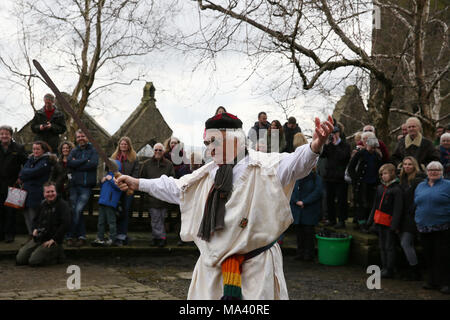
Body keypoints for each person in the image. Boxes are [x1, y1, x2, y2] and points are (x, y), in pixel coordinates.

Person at [116, 112, 334, 300]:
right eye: (207, 143)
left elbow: (298, 163)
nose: (209, 149)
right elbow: (177, 188)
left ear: (235, 141)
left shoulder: (266, 167)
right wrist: (138, 183)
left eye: (214, 142)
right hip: (212, 269)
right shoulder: (208, 173)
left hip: (255, 268)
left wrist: (315, 146)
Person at [414, 161, 450, 294]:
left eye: (437, 170)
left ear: (442, 172)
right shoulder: (420, 186)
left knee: (443, 256)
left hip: (443, 227)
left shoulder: (448, 185)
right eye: (431, 170)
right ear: (427, 172)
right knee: (428, 255)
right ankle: (432, 281)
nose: (433, 172)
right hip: (423, 227)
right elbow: (416, 203)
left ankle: (446, 282)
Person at [16, 182, 70, 266]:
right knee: (20, 259)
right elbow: (35, 220)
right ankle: (39, 251)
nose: (50, 194)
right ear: (44, 193)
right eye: (47, 192)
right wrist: (34, 229)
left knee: (33, 261)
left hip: (53, 240)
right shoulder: (42, 204)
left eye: (52, 191)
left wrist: (54, 239)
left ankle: (58, 254)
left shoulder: (63, 205)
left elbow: (65, 225)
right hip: (39, 238)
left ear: (56, 192)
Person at [367, 163, 403, 279]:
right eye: (382, 174)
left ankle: (390, 269)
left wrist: (394, 225)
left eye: (386, 173)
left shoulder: (397, 189)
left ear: (392, 174)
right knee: (382, 246)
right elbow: (375, 206)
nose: (383, 176)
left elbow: (398, 209)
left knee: (389, 246)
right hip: (379, 221)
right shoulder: (380, 188)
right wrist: (370, 221)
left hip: (390, 223)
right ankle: (384, 267)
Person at [66, 129, 99, 247]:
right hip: (74, 185)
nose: (81, 138)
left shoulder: (94, 150)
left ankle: (70, 235)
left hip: (86, 186)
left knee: (78, 210)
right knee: (74, 210)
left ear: (87, 136)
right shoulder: (74, 150)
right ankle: (81, 236)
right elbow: (69, 163)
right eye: (78, 136)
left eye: (83, 136)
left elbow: (93, 164)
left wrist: (77, 164)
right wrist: (85, 161)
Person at [140, 142, 175, 247]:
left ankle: (158, 238)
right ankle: (160, 238)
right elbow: (142, 178)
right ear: (153, 151)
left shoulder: (169, 164)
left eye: (160, 150)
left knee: (161, 218)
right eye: (156, 150)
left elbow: (172, 179)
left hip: (164, 196)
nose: (158, 152)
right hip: (151, 196)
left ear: (163, 152)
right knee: (155, 218)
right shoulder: (146, 164)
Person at [19, 141, 56, 238]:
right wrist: (27, 173)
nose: (35, 151)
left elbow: (35, 172)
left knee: (34, 216)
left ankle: (36, 236)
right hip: (26, 191)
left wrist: (26, 173)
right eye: (34, 149)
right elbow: (22, 172)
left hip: (36, 192)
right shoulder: (31, 159)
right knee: (26, 214)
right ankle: (31, 235)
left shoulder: (46, 161)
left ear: (43, 150)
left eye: (38, 149)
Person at [347, 131, 382, 232]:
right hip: (361, 183)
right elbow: (351, 168)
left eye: (369, 140)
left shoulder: (377, 155)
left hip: (373, 183)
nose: (367, 142)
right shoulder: (360, 153)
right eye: (365, 140)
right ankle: (361, 223)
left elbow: (380, 168)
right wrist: (355, 179)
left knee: (371, 203)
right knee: (360, 203)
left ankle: (368, 223)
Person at [398, 156, 425, 280]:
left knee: (405, 243)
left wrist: (412, 210)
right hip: (402, 216)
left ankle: (415, 270)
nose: (407, 166)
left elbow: (419, 198)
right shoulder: (402, 179)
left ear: (414, 165)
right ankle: (410, 268)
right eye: (405, 164)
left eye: (410, 164)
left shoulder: (419, 180)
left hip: (413, 216)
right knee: (405, 243)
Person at [320, 125, 351, 229]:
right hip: (329, 176)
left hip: (340, 177)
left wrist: (335, 145)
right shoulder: (329, 144)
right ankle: (331, 219)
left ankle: (342, 220)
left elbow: (343, 157)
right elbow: (322, 155)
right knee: (329, 199)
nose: (333, 135)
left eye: (335, 133)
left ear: (339, 133)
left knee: (342, 200)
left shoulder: (345, 145)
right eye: (331, 134)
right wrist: (326, 144)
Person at [0, 125, 28, 243]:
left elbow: (26, 164)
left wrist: (21, 177)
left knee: (11, 210)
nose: (4, 136)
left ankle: (9, 234)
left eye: (6, 134)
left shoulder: (19, 148)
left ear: (11, 135)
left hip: (13, 183)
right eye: (1, 134)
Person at [111, 137, 139, 246]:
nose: (123, 146)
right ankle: (114, 235)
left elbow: (136, 173)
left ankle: (122, 235)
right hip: (116, 188)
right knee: (116, 211)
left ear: (129, 145)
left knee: (125, 211)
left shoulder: (134, 157)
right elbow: (109, 172)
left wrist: (130, 186)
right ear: (119, 145)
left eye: (125, 144)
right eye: (122, 144)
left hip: (128, 188)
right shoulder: (114, 157)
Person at [290, 166, 323, 262]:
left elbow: (318, 192)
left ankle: (309, 254)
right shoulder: (295, 178)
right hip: (297, 210)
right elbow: (290, 190)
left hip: (309, 210)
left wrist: (305, 202)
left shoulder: (316, 178)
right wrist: (296, 201)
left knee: (308, 232)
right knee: (299, 233)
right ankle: (300, 253)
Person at [91, 160, 123, 247]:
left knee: (111, 222)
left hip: (111, 203)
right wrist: (102, 181)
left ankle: (112, 239)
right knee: (101, 222)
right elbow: (102, 187)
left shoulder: (119, 177)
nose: (110, 168)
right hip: (102, 201)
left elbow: (120, 188)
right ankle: (100, 238)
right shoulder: (106, 175)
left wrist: (111, 180)